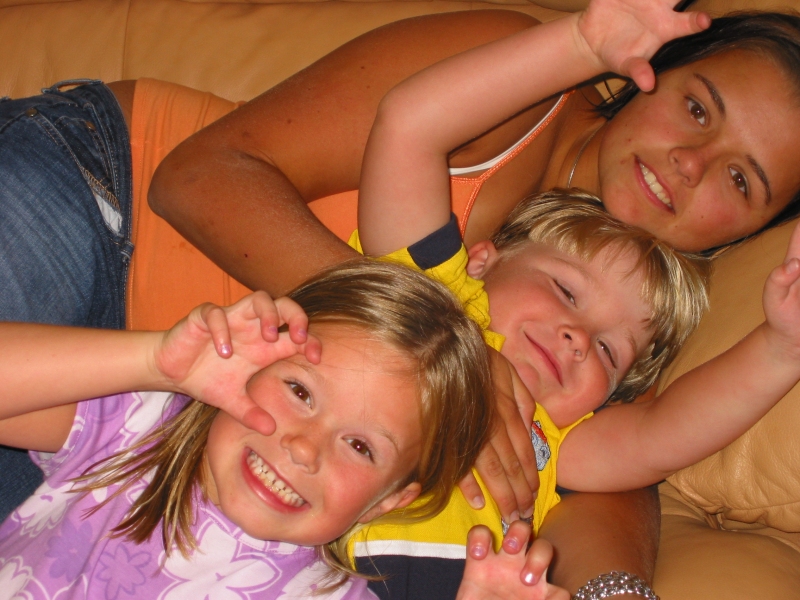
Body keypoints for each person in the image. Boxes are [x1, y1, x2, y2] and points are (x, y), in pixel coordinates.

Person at [3, 0, 800, 592]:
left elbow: (628, 462)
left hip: (169, 452)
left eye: (741, 179)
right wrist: (448, 356)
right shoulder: (517, 92)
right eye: (697, 107)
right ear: (648, 74)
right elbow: (197, 177)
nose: (693, 162)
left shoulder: (635, 323)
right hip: (102, 201)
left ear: (752, 231)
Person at [0, 260, 567, 599]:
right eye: (300, 392)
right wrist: (155, 363)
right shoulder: (138, 427)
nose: (302, 446)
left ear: (385, 501)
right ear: (252, 363)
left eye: (360, 446)